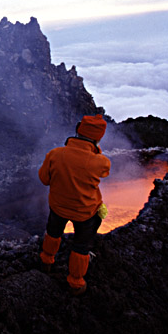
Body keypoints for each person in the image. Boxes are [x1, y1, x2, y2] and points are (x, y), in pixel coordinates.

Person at [38, 113, 111, 296]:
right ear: (99, 137)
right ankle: (76, 283)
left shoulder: (55, 154)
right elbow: (104, 173)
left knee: (53, 233)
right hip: (85, 213)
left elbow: (44, 179)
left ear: (78, 130)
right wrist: (95, 150)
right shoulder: (100, 162)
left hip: (58, 207)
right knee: (81, 246)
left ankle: (46, 261)